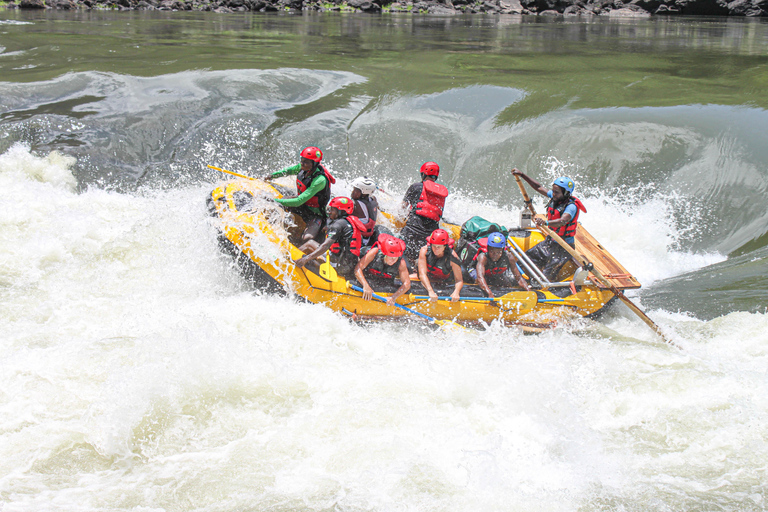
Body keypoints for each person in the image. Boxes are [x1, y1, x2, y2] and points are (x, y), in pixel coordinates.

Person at [511, 169, 587, 281]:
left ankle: (543, 284)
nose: (553, 194)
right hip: (550, 242)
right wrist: (522, 175)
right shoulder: (556, 196)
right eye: (553, 191)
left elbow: (563, 221)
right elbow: (538, 187)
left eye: (556, 192)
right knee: (526, 259)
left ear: (566, 193)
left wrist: (546, 222)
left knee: (547, 276)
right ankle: (522, 280)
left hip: (563, 248)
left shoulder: (571, 207)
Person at [264, 146, 336, 243]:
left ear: (314, 164)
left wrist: (274, 201)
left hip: (315, 213)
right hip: (303, 205)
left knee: (307, 238)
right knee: (283, 202)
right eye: (302, 160)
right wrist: (271, 176)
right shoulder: (302, 167)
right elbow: (287, 171)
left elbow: (299, 201)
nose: (302, 163)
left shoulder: (320, 180)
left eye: (306, 162)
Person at [294, 196, 364, 279]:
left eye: (332, 210)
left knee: (310, 244)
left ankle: (291, 258)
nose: (330, 212)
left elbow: (326, 246)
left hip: (339, 265)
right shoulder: (349, 223)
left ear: (340, 211)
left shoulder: (339, 224)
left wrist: (306, 259)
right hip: (348, 265)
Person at [400, 161, 449, 263]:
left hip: (412, 230)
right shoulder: (441, 193)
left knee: (403, 252)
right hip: (429, 235)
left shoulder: (416, 186)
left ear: (423, 174)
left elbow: (402, 208)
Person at [464, 232, 531, 299]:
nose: (495, 255)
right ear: (488, 249)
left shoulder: (509, 257)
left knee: (507, 284)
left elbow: (519, 278)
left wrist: (529, 291)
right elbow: (480, 277)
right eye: (492, 252)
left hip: (492, 272)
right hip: (475, 272)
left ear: (503, 250)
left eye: (498, 252)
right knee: (478, 281)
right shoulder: (483, 257)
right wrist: (490, 294)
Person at [353, 233, 411, 307]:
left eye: (396, 258)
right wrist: (365, 285)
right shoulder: (374, 252)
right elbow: (358, 269)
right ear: (384, 254)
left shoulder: (401, 262)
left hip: (384, 282)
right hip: (368, 278)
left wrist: (393, 297)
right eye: (391, 257)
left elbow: (407, 284)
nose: (394, 260)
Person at [417, 228, 463, 302]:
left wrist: (456, 292)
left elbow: (459, 280)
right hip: (429, 277)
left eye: (439, 247)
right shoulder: (424, 251)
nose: (436, 249)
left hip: (445, 280)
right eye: (434, 246)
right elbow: (422, 274)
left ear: (445, 246)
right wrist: (430, 291)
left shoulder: (452, 257)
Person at [350, 176, 379, 246]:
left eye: (356, 190)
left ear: (364, 192)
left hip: (359, 239)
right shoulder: (373, 199)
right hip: (367, 237)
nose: (352, 192)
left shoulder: (355, 204)